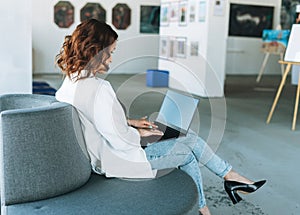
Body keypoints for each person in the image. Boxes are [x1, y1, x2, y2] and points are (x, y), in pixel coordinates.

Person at [55, 19, 266, 215]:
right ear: (95, 51)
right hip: (119, 160)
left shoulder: (69, 84)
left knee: (187, 136)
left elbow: (93, 118)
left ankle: (225, 183)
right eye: (110, 53)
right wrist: (142, 134)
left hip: (103, 155)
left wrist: (130, 122)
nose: (111, 59)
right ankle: (213, 199)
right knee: (187, 151)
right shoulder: (99, 88)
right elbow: (120, 140)